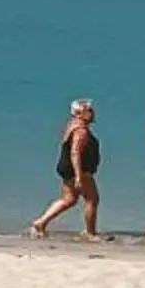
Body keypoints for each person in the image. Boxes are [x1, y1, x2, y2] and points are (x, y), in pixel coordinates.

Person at [31, 100, 102, 238]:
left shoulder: (72, 125)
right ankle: (91, 233)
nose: (93, 113)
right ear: (79, 113)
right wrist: (78, 176)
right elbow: (75, 153)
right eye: (89, 111)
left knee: (69, 199)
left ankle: (40, 223)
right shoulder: (81, 131)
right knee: (92, 199)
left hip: (67, 167)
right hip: (79, 169)